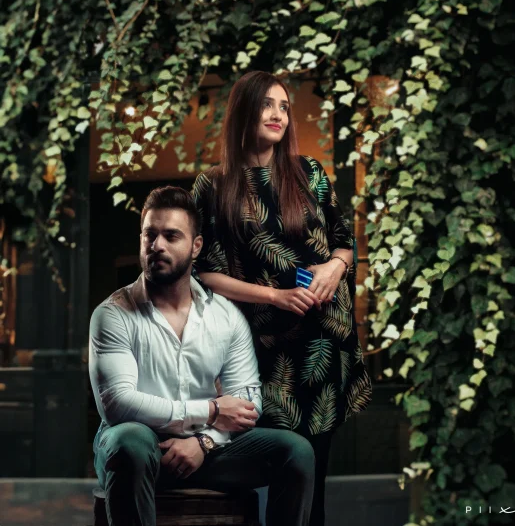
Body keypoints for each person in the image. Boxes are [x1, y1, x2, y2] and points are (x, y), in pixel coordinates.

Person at [192, 70, 372, 526]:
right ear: (242, 113)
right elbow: (205, 272)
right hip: (265, 354)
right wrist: (273, 295)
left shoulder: (309, 171)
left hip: (326, 345)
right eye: (266, 105)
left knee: (316, 479)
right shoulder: (213, 185)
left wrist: (335, 267)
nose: (277, 115)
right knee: (282, 475)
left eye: (283, 106)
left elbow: (343, 242)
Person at [89, 186, 315, 526]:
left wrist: (203, 442)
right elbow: (119, 405)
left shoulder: (224, 316)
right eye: (150, 235)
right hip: (140, 454)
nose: (157, 245)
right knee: (129, 440)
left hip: (207, 453)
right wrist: (210, 410)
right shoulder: (114, 314)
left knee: (296, 452)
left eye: (171, 236)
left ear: (196, 246)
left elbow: (246, 402)